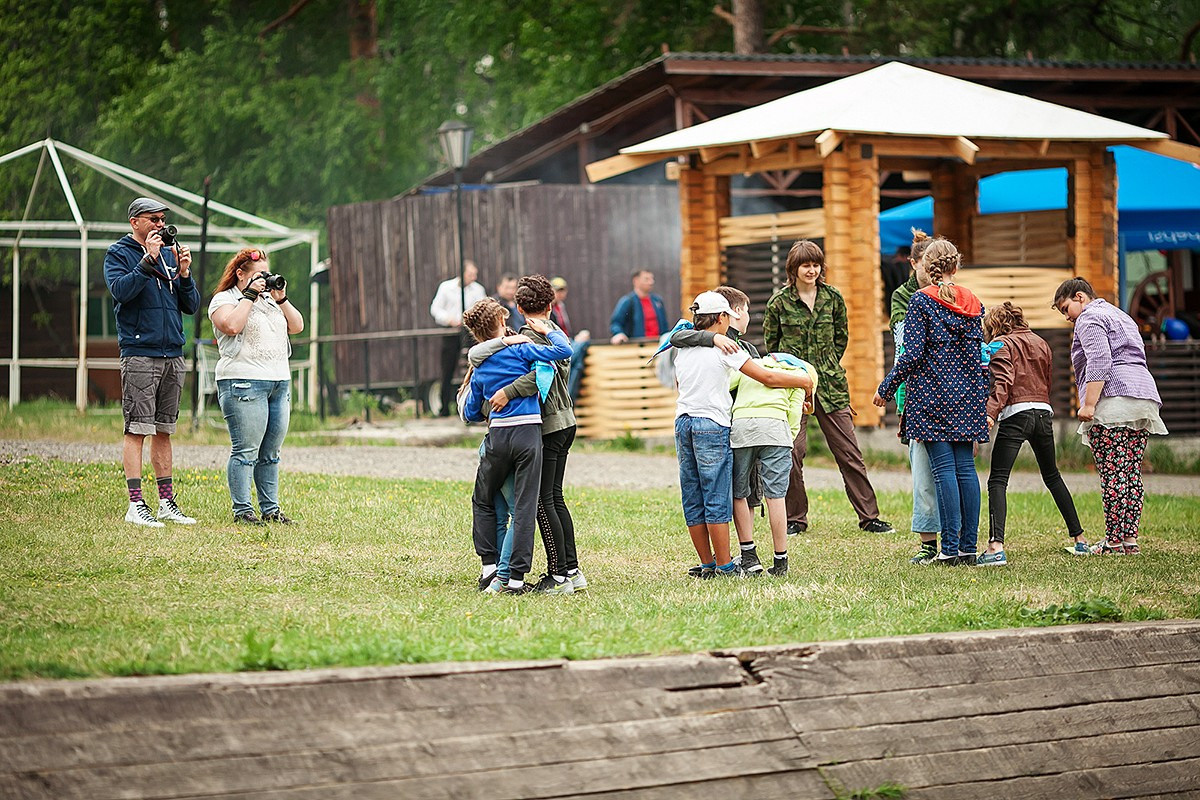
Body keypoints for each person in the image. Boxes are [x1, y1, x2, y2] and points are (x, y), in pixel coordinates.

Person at [673, 291, 814, 579]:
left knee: (693, 494)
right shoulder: (726, 348)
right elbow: (767, 377)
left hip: (683, 422)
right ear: (722, 317)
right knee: (716, 496)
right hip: (711, 425)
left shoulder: (684, 347)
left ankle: (707, 563)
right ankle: (725, 565)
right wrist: (803, 380)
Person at [763, 240, 894, 536]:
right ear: (793, 269)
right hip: (793, 388)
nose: (811, 270)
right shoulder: (778, 303)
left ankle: (869, 517)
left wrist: (824, 367)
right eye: (805, 265)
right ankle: (796, 518)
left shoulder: (833, 298)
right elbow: (772, 347)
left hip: (831, 386)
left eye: (815, 264)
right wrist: (795, 373)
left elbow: (840, 339)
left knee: (849, 452)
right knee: (792, 453)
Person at [468, 275, 586, 595]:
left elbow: (544, 372)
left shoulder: (525, 336)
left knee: (540, 502)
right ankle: (572, 571)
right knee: (555, 498)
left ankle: (559, 576)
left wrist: (507, 391)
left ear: (518, 308)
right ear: (551, 305)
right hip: (567, 420)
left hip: (546, 424)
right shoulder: (556, 330)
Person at [874, 238, 988, 565]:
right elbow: (977, 355)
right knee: (966, 470)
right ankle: (968, 548)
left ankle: (949, 550)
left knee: (943, 473)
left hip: (932, 397)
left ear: (927, 266)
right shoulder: (972, 302)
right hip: (967, 396)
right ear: (956, 265)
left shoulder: (921, 301)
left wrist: (886, 387)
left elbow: (911, 355)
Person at [104, 197, 200, 528]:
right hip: (140, 353)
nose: (160, 224)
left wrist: (184, 274)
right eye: (154, 219)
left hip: (172, 352)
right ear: (135, 222)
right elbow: (120, 291)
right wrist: (147, 260)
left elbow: (191, 305)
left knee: (164, 430)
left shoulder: (171, 255)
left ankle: (166, 503)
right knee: (137, 429)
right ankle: (135, 505)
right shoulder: (119, 254)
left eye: (163, 219)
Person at [1054, 278, 1167, 555]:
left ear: (1080, 297)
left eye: (1065, 308)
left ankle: (1113, 542)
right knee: (1130, 473)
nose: (1066, 316)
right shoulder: (1121, 315)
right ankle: (1130, 540)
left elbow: (1100, 360)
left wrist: (1089, 404)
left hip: (1113, 401)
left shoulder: (1089, 318)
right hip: (1142, 398)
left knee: (1112, 474)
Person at [978, 302, 1083, 566]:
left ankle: (995, 547)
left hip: (1016, 413)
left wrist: (990, 414)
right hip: (1043, 412)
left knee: (998, 480)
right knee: (1052, 475)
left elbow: (1003, 384)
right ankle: (1080, 540)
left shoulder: (1001, 344)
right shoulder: (1041, 342)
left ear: (996, 326)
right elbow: (1046, 381)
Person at [208, 248, 305, 525]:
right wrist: (249, 295)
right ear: (240, 274)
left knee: (271, 453)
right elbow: (231, 326)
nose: (265, 280)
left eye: (267, 274)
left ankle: (271, 509)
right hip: (243, 382)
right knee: (246, 450)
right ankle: (243, 511)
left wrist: (281, 297)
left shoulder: (270, 300)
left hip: (278, 383)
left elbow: (297, 326)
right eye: (259, 275)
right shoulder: (223, 299)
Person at [891, 230, 941, 564]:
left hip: (953, 393)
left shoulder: (957, 294)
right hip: (916, 392)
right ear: (914, 264)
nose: (933, 270)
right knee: (922, 468)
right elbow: (904, 345)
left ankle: (957, 538)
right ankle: (928, 541)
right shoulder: (903, 296)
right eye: (927, 264)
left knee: (953, 468)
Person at [430, 260, 486, 416]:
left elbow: (483, 308)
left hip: (470, 333)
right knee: (447, 369)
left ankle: (467, 405)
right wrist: (449, 319)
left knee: (470, 368)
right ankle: (444, 407)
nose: (473, 277)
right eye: (471, 274)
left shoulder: (478, 289)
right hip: (450, 332)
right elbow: (436, 308)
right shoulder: (446, 287)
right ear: (462, 273)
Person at [549, 276, 591, 400]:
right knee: (581, 347)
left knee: (577, 365)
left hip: (567, 341)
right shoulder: (549, 309)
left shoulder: (561, 307)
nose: (560, 294)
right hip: (559, 346)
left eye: (562, 290)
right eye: (557, 290)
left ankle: (569, 397)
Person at [610, 269, 668, 344]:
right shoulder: (628, 301)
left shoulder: (657, 301)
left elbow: (664, 325)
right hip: (637, 346)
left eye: (652, 279)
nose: (651, 282)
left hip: (657, 345)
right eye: (647, 279)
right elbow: (616, 323)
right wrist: (618, 333)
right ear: (636, 281)